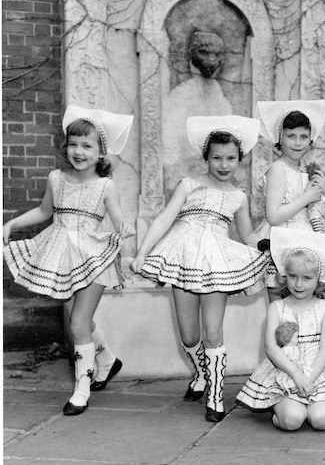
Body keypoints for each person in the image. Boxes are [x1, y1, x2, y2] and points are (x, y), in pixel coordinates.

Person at [129, 115, 267, 422]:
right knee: (190, 335)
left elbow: (247, 235)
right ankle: (202, 374)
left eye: (231, 158)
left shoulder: (238, 196)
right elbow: (164, 219)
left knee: (213, 332)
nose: (223, 164)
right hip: (185, 259)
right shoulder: (189, 185)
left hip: (215, 263)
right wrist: (142, 253)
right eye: (217, 157)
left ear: (239, 160)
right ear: (206, 157)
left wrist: (269, 245)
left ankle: (215, 394)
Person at [3, 105, 135, 415]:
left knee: (77, 323)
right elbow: (44, 212)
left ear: (101, 153)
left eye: (87, 146)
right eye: (73, 144)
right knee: (80, 320)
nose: (78, 151)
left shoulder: (106, 186)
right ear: (66, 147)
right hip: (62, 256)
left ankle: (82, 388)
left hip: (93, 259)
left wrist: (124, 227)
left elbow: (119, 220)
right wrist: (11, 224)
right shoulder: (56, 178)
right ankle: (107, 360)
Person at [236, 228, 325, 431]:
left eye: (306, 278)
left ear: (318, 279)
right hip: (286, 370)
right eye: (293, 276)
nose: (298, 284)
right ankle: (280, 412)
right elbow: (271, 347)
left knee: (322, 420)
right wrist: (296, 375)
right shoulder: (276, 307)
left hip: (317, 372)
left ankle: (321, 406)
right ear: (285, 276)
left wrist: (308, 379)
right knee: (292, 420)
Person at [253, 100, 325, 298]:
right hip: (283, 243)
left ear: (310, 140)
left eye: (303, 137)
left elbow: (312, 215)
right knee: (282, 311)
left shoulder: (303, 172)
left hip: (306, 243)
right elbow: (273, 216)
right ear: (280, 139)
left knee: (308, 308)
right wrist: (307, 197)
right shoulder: (278, 169)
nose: (298, 143)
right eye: (291, 136)